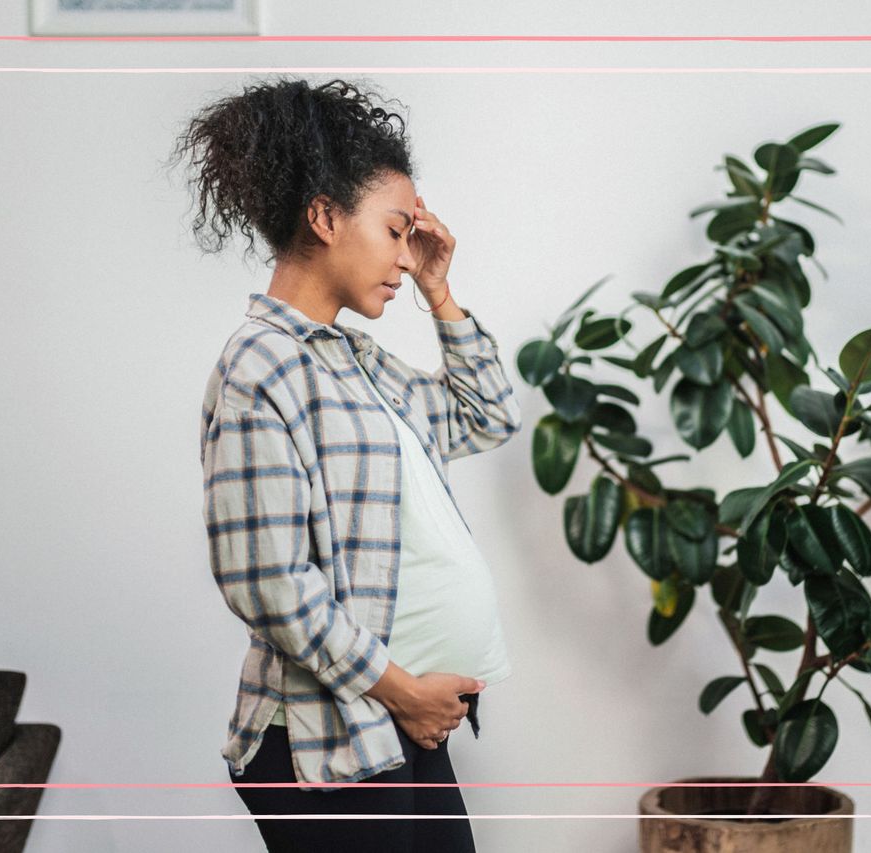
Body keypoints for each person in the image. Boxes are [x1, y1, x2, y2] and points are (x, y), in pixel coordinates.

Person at [170, 76, 522, 852]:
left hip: (394, 723)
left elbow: (488, 415)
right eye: (396, 231)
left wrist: (440, 289)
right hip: (326, 736)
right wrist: (402, 689)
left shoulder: (352, 359)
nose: (405, 253)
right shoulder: (259, 366)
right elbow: (266, 580)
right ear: (325, 215)